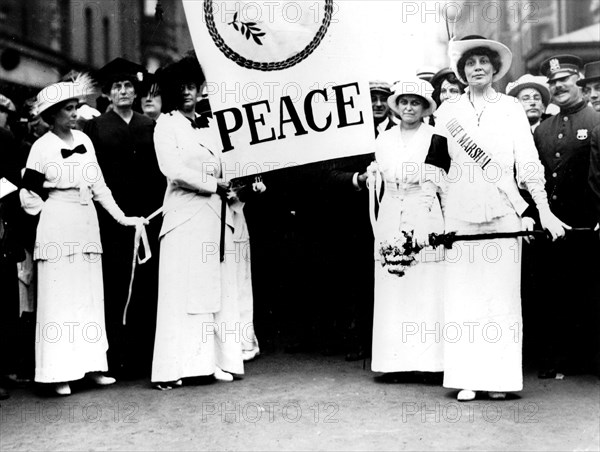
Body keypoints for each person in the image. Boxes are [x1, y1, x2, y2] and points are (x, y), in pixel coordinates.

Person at [424, 36, 567, 401]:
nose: (477, 69)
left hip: (504, 212)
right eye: (470, 63)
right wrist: (433, 215)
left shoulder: (510, 108)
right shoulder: (448, 112)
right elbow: (436, 165)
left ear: (494, 69)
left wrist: (544, 211)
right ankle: (467, 377)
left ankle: (500, 379)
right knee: (463, 297)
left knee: (500, 297)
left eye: (484, 62)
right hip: (460, 213)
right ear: (462, 70)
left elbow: (528, 162)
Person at [19, 77, 145, 396]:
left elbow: (100, 186)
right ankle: (59, 373)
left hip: (86, 223)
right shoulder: (41, 147)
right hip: (58, 224)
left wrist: (122, 218)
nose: (74, 114)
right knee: (60, 300)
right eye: (68, 109)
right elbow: (27, 196)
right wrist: (52, 213)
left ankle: (90, 367)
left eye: (75, 107)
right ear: (52, 115)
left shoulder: (85, 142)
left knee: (88, 296)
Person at [151, 56, 243, 389]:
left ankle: (210, 362)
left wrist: (233, 181)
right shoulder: (166, 124)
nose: (188, 93)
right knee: (183, 293)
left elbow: (225, 164)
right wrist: (212, 183)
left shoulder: (211, 124)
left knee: (211, 291)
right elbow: (173, 170)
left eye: (192, 86)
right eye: (182, 88)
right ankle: (175, 367)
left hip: (215, 217)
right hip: (184, 217)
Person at [84, 58, 166, 379]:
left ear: (136, 90)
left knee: (147, 285)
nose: (123, 91)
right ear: (108, 92)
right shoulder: (95, 128)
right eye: (117, 86)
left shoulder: (149, 125)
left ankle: (144, 357)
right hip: (113, 220)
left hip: (147, 217)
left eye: (128, 86)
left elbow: (160, 173)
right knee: (115, 285)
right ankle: (116, 357)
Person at [369, 78, 445, 377]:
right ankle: (395, 362)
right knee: (394, 280)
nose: (409, 108)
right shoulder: (384, 138)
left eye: (415, 102)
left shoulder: (435, 136)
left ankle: (428, 362)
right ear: (397, 107)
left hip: (423, 208)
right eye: (404, 102)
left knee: (425, 283)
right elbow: (383, 173)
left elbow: (437, 177)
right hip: (391, 209)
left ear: (425, 107)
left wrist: (422, 213)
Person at [534, 55, 600, 378]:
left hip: (586, 224)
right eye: (552, 82)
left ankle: (585, 360)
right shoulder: (542, 130)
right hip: (552, 224)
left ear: (580, 84)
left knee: (587, 291)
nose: (557, 86)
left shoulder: (595, 120)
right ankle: (556, 358)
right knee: (553, 292)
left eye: (564, 80)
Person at [0, 92, 23, 400]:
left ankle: (3, 367)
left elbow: (14, 187)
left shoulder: (4, 139)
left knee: (5, 300)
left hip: (2, 226)